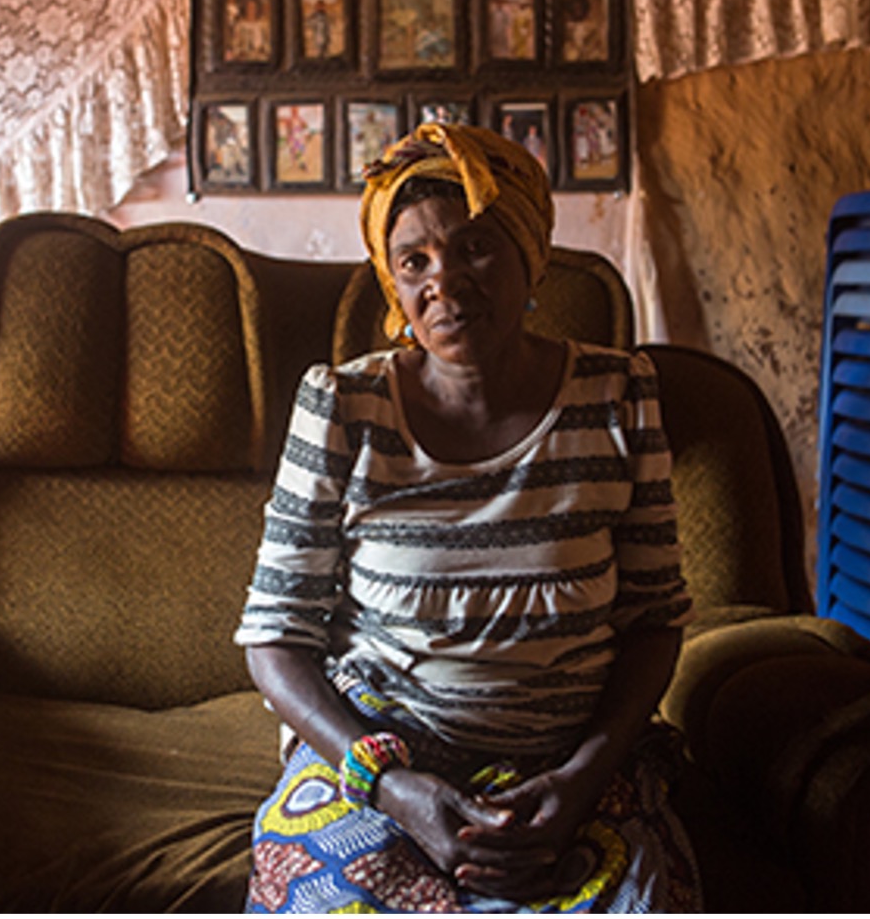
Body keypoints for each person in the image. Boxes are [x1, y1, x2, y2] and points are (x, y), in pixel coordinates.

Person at [235, 123, 701, 913]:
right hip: (382, 757)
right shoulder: (345, 404)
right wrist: (392, 786)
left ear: (529, 255)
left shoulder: (618, 395)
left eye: (476, 246)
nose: (444, 282)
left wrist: (584, 777)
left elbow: (655, 620)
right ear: (392, 280)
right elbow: (275, 637)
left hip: (566, 759)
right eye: (413, 259)